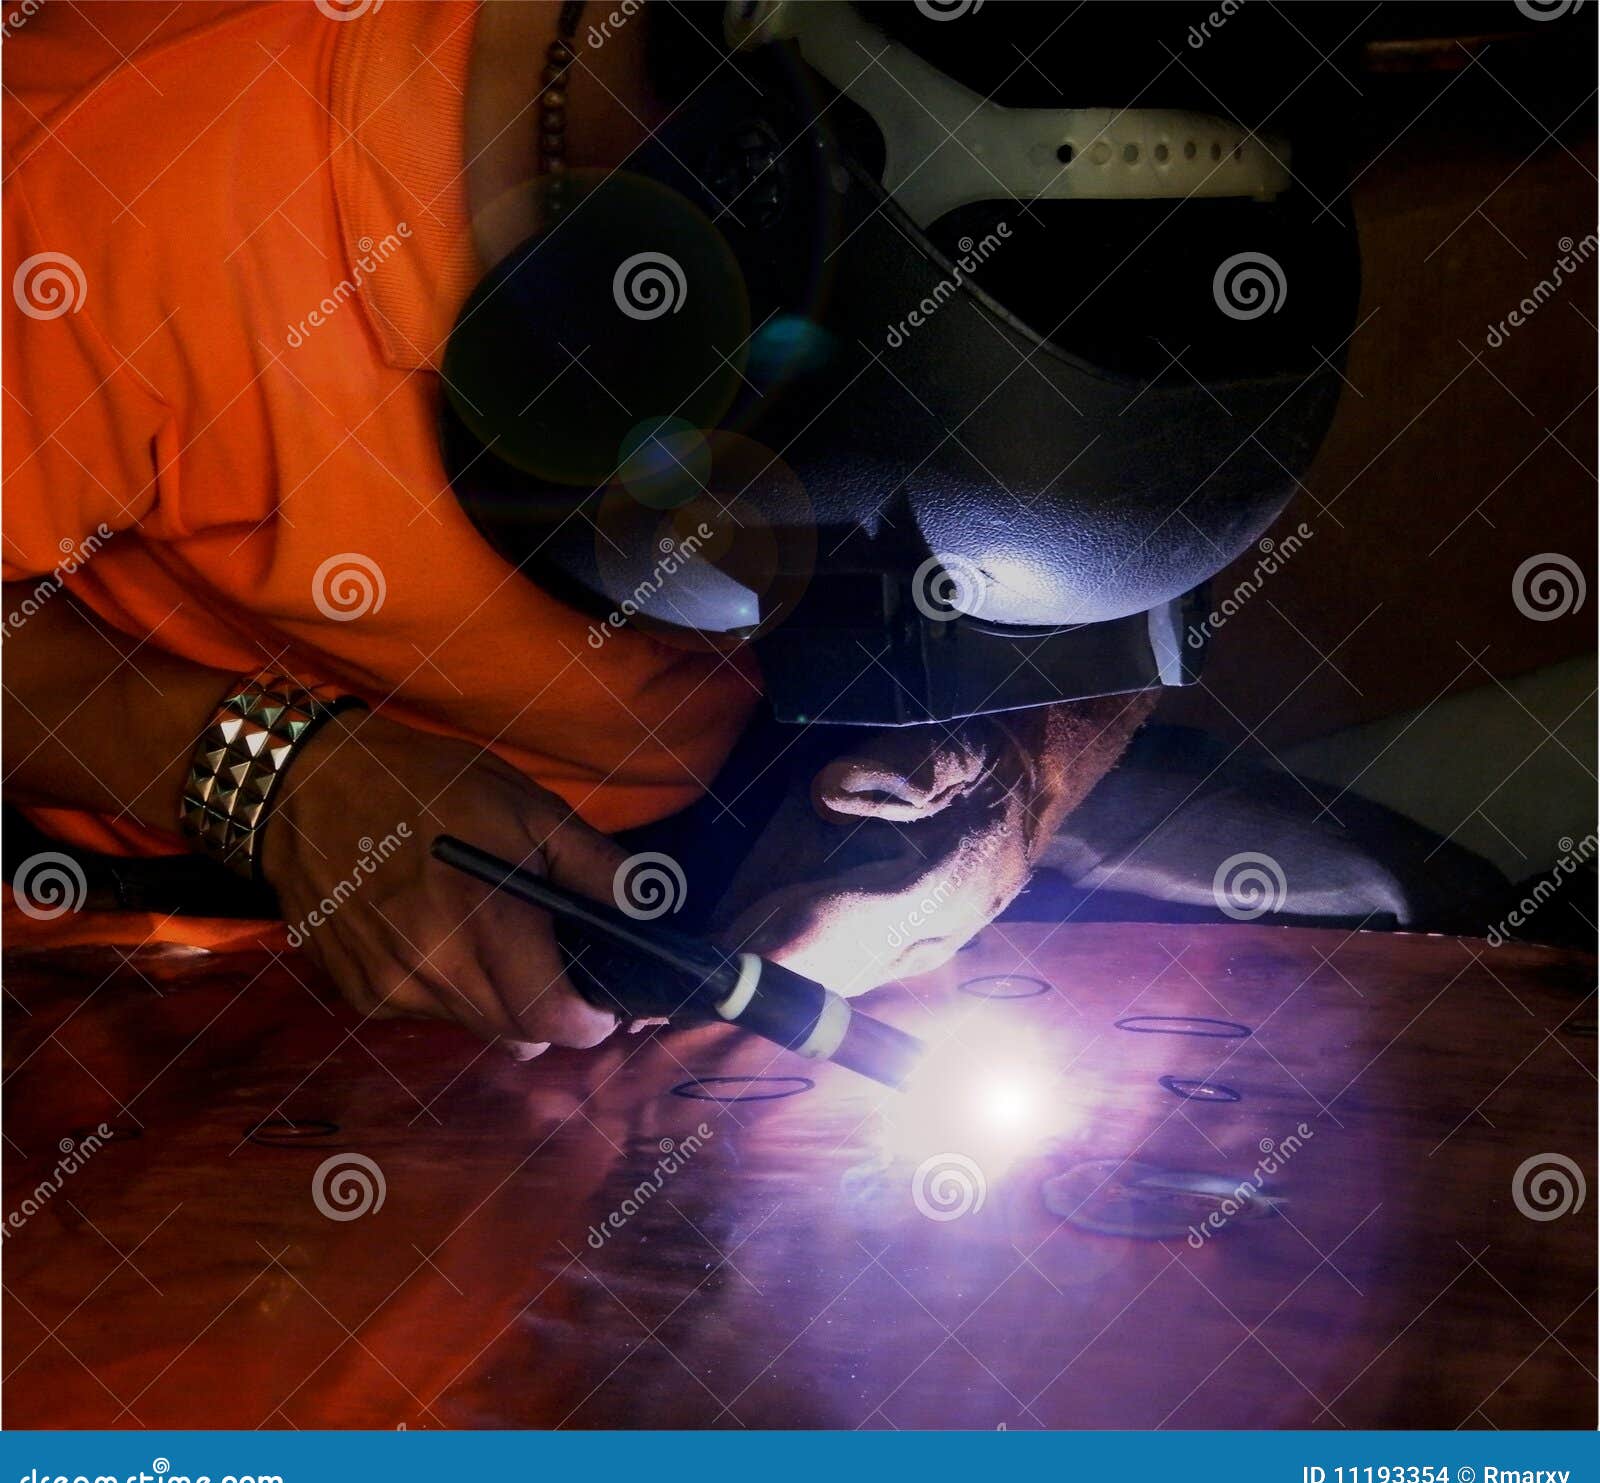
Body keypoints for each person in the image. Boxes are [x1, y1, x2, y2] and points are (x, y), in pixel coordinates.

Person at [2, 1, 1350, 1052]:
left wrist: (1019, 776)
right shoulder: (117, 189)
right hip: (190, 913)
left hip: (717, 893)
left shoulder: (1181, 179)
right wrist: (271, 776)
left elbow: (1109, 585)